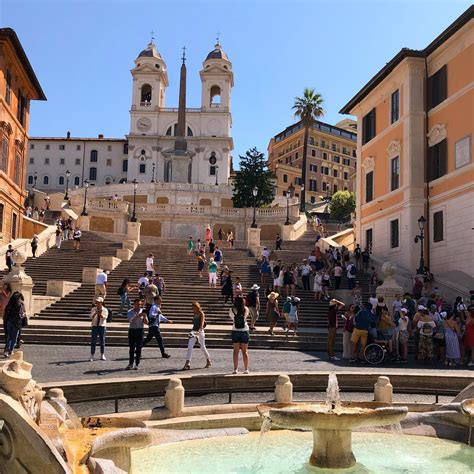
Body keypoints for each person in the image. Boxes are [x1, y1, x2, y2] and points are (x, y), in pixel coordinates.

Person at [182, 302, 212, 370]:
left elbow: (202, 322)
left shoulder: (201, 313)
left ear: (197, 307)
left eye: (194, 308)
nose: (193, 309)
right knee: (190, 346)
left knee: (202, 347)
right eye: (192, 308)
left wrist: (200, 330)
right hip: (194, 331)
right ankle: (187, 363)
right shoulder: (194, 313)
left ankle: (208, 360)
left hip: (200, 331)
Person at [229, 296, 250, 374]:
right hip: (244, 330)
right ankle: (246, 369)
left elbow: (231, 317)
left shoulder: (232, 310)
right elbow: (246, 316)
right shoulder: (246, 309)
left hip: (235, 330)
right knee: (245, 351)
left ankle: (235, 369)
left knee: (235, 351)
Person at [127, 298, 148, 370]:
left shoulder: (143, 311)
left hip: (140, 331)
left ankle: (137, 364)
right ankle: (130, 363)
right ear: (134, 305)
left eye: (140, 304)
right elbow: (131, 321)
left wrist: (144, 316)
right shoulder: (130, 311)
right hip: (132, 330)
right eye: (137, 304)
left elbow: (146, 322)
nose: (139, 306)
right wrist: (138, 316)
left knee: (139, 348)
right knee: (131, 348)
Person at [3, 291, 26, 357]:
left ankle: (6, 351)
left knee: (9, 337)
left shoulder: (9, 305)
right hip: (16, 323)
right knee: (14, 338)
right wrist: (23, 315)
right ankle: (10, 351)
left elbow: (5, 313)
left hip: (9, 322)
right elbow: (21, 315)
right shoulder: (19, 305)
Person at [89, 297, 108, 361]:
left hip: (102, 326)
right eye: (97, 302)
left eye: (99, 302)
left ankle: (102, 354)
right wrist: (95, 313)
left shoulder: (105, 309)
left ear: (101, 303)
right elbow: (90, 317)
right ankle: (92, 355)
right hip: (94, 326)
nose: (97, 303)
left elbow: (104, 318)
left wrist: (100, 314)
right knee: (93, 341)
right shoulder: (93, 309)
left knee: (102, 341)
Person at [1, 283, 13, 351]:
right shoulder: (2, 292)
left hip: (7, 306)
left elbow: (7, 297)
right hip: (3, 306)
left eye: (6, 285)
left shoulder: (8, 291)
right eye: (4, 285)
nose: (4, 286)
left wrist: (3, 292)